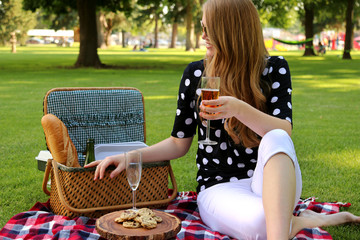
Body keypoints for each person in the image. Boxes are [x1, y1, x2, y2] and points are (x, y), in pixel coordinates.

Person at [86, 0, 360, 239]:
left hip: (272, 178)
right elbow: (178, 143)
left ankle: (284, 225)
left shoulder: (274, 69)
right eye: (202, 27)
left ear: (231, 31)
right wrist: (130, 156)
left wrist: (238, 108)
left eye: (209, 29)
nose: (202, 35)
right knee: (262, 228)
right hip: (219, 187)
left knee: (276, 136)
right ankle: (300, 222)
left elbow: (283, 133)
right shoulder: (196, 74)